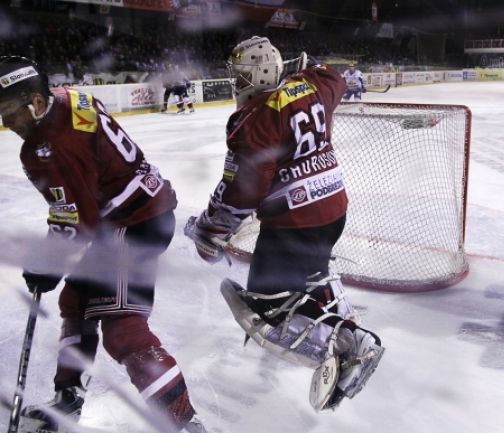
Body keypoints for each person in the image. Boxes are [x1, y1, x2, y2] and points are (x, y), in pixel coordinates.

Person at [0, 56, 206, 433]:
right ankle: (68, 398)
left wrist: (47, 263)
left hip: (133, 224)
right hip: (137, 210)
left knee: (121, 329)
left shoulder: (45, 149)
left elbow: (78, 221)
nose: (6, 122)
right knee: (74, 302)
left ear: (37, 102)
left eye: (10, 111)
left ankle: (185, 424)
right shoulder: (66, 97)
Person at [184, 36, 385, 411]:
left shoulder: (255, 118)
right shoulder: (312, 85)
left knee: (265, 302)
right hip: (333, 206)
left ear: (257, 75)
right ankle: (338, 317)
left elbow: (240, 191)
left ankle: (352, 342)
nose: (237, 83)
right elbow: (333, 77)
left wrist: (210, 230)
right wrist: (303, 68)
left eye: (242, 76)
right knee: (311, 272)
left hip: (296, 221)